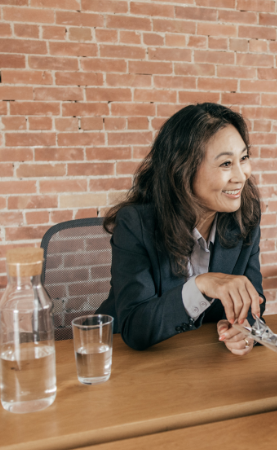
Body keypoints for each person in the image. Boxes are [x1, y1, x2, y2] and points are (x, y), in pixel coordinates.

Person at [97, 103, 264, 353]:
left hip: (202, 361)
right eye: (226, 164)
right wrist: (200, 286)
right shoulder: (135, 224)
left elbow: (254, 303)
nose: (242, 176)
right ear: (183, 170)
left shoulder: (244, 217)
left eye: (243, 158)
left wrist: (244, 329)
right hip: (128, 362)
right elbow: (135, 327)